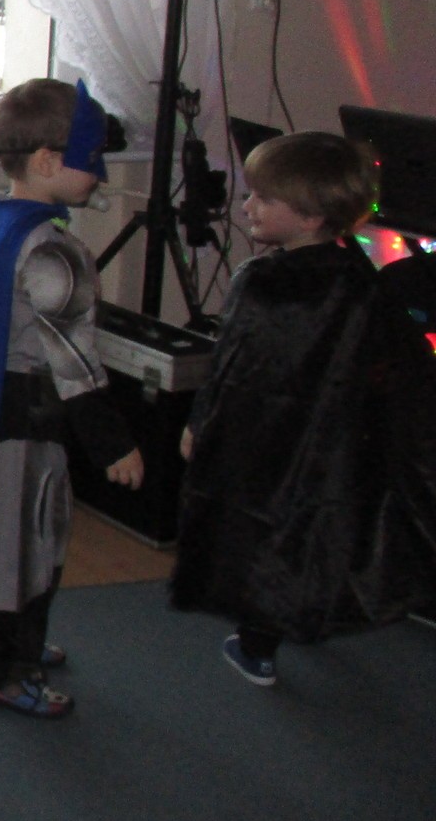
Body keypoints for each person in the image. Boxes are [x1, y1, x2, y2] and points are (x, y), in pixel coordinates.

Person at [173, 131, 436, 684]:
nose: (247, 206)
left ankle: (257, 645)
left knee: (266, 541)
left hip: (268, 444)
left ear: (311, 216)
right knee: (314, 535)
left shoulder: (261, 283)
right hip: (336, 449)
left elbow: (232, 367)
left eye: (263, 198)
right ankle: (299, 619)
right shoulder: (367, 285)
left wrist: (200, 426)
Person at [0, 79, 142, 719]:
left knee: (19, 537)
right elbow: (74, 360)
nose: (98, 172)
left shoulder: (6, 219)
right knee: (23, 545)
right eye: (91, 158)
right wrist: (114, 443)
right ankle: (0, 670)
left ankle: (17, 643)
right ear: (48, 161)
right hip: (26, 417)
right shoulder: (51, 247)